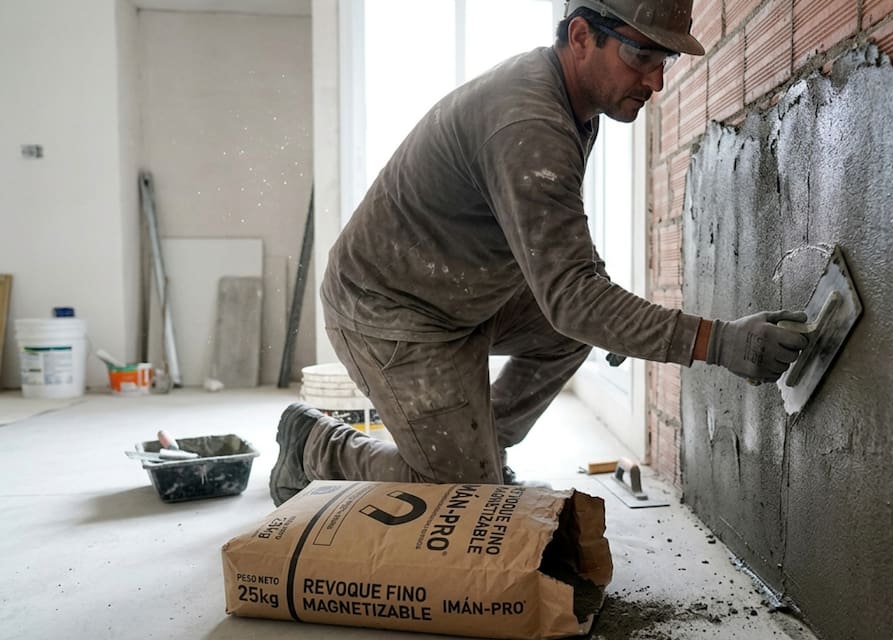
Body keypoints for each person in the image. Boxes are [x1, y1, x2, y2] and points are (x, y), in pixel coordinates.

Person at [269, 0, 807, 506]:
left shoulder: (573, 103)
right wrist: (721, 342)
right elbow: (573, 299)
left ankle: (483, 444)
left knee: (571, 332)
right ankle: (315, 446)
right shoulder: (531, 124)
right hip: (389, 308)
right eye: (641, 55)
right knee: (461, 496)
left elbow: (556, 243)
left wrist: (613, 312)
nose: (656, 81)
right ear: (582, 36)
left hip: (460, 291)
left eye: (663, 60)